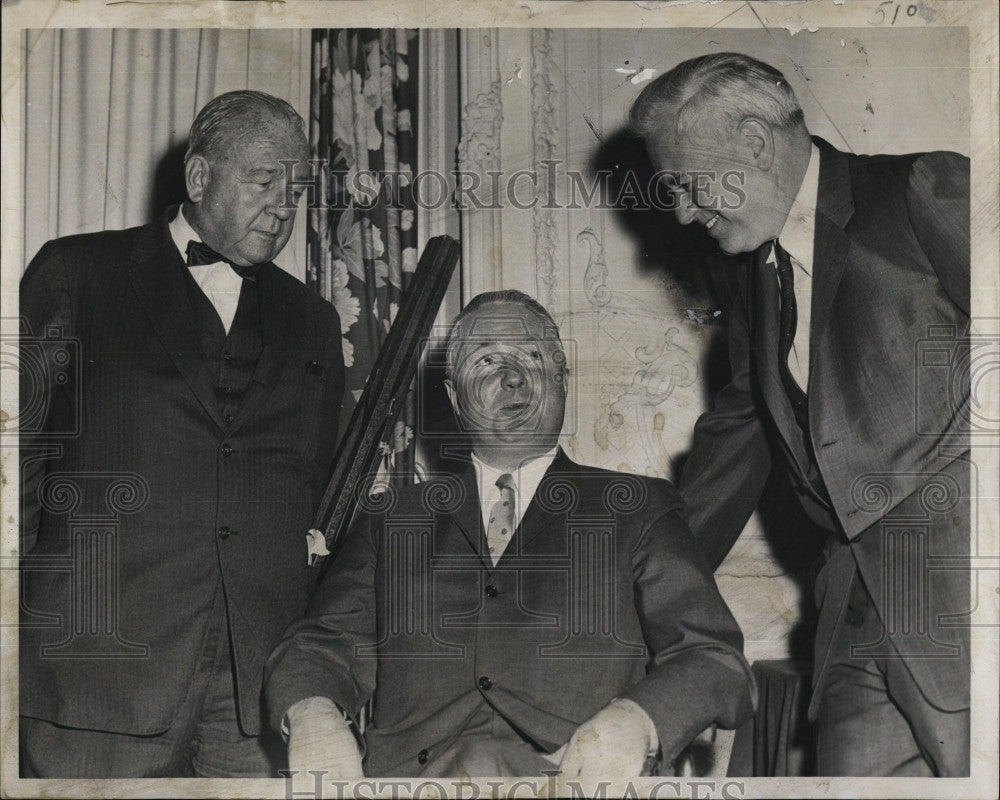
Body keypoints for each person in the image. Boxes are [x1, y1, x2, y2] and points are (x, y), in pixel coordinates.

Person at [629, 53, 971, 776]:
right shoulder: (749, 274)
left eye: (688, 187)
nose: (685, 214)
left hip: (962, 594)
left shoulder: (918, 191)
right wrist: (646, 583)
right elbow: (735, 444)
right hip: (847, 610)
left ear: (755, 144)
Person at [264, 290, 754, 779]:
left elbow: (712, 657)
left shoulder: (637, 508)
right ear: (455, 396)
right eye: (489, 359)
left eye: (532, 357)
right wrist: (313, 713)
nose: (513, 377)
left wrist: (636, 721)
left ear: (562, 379)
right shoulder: (390, 519)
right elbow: (319, 646)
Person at [19, 90, 346, 777]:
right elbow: (14, 458)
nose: (285, 204)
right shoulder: (77, 274)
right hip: (95, 676)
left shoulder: (313, 319)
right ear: (200, 177)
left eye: (298, 187)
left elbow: (313, 481)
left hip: (255, 697)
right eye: (264, 182)